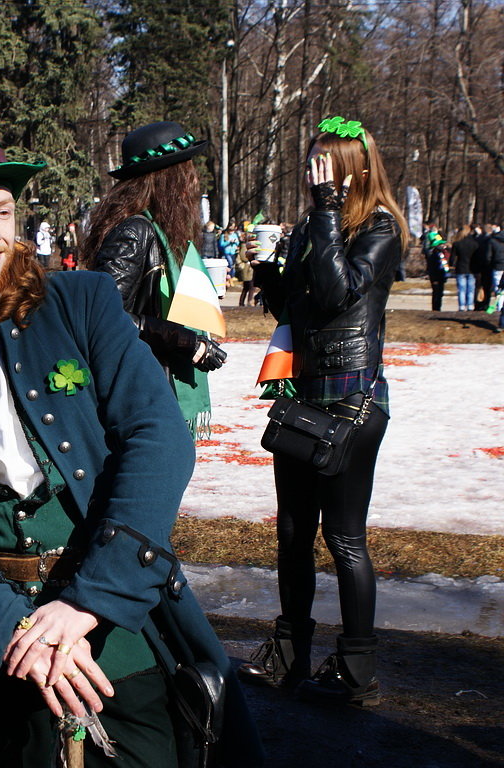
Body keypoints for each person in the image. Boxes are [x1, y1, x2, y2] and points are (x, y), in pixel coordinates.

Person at [0, 82, 262, 768]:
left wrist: (84, 605)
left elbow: (157, 439)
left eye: (4, 209)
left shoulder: (81, 304)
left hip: (114, 622)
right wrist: (11, 630)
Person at [243, 117, 407, 706]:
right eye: (312, 163)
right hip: (305, 394)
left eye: (325, 163)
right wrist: (268, 276)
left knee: (343, 539)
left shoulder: (380, 228)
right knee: (292, 533)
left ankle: (356, 665)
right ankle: (289, 651)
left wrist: (325, 208)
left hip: (353, 400)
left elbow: (341, 295)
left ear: (352, 170)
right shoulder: (318, 226)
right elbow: (304, 303)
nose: (314, 172)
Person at [81, 121, 227, 436]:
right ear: (169, 179)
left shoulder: (162, 234)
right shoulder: (135, 231)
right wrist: (185, 341)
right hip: (138, 393)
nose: (194, 182)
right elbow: (101, 316)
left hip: (153, 385)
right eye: (187, 173)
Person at [449, 225, 480, 312]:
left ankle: (462, 306)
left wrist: (451, 265)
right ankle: (470, 305)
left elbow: (452, 258)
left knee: (461, 289)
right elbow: (478, 257)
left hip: (461, 268)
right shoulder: (475, 244)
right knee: (471, 289)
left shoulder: (457, 243)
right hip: (472, 269)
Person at [423, 232, 449, 311]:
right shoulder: (432, 253)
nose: (442, 246)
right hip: (435, 275)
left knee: (440, 293)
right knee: (436, 292)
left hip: (441, 274)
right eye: (440, 244)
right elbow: (432, 266)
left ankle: (438, 307)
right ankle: (436, 308)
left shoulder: (441, 253)